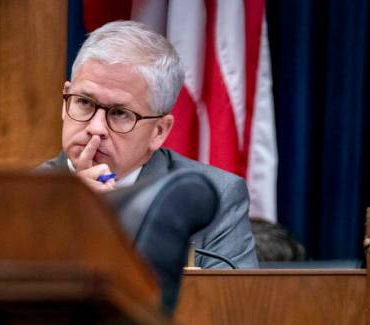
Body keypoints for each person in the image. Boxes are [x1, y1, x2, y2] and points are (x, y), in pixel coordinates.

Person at [39, 21, 258, 269]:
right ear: (65, 100)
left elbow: (231, 306)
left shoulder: (215, 197)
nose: (96, 127)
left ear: (159, 131)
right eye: (85, 102)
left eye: (120, 113)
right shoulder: (16, 198)